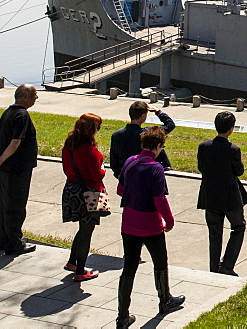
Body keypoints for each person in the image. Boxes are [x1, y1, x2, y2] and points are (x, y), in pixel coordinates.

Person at [115, 126, 185, 328]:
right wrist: (169, 220)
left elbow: (121, 190)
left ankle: (122, 315)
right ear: (157, 146)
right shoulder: (156, 168)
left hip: (128, 223)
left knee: (129, 268)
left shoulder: (130, 162)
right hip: (151, 225)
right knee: (160, 263)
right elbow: (159, 199)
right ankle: (165, 300)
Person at [0, 84, 39, 255]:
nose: (36, 98)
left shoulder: (7, 113)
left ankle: (5, 239)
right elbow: (15, 143)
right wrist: (0, 160)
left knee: (4, 204)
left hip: (5, 168)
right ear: (24, 97)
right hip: (17, 168)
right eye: (34, 94)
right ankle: (15, 243)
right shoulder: (22, 115)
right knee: (16, 206)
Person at [196, 111, 247, 276]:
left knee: (214, 232)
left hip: (210, 196)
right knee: (238, 227)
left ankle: (213, 267)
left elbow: (201, 168)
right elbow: (239, 171)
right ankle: (227, 265)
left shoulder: (203, 147)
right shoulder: (233, 149)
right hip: (230, 197)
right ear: (231, 129)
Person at [61, 113, 106, 282]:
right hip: (89, 192)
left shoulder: (69, 146)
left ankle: (73, 261)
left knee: (82, 228)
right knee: (87, 230)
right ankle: (80, 270)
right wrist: (103, 168)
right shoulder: (90, 150)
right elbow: (97, 175)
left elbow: (66, 168)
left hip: (71, 189)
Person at [110, 100, 176, 177]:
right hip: (144, 174)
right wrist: (158, 112)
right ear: (143, 116)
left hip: (124, 174)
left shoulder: (116, 135)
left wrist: (119, 174)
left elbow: (113, 160)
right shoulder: (148, 134)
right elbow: (170, 124)